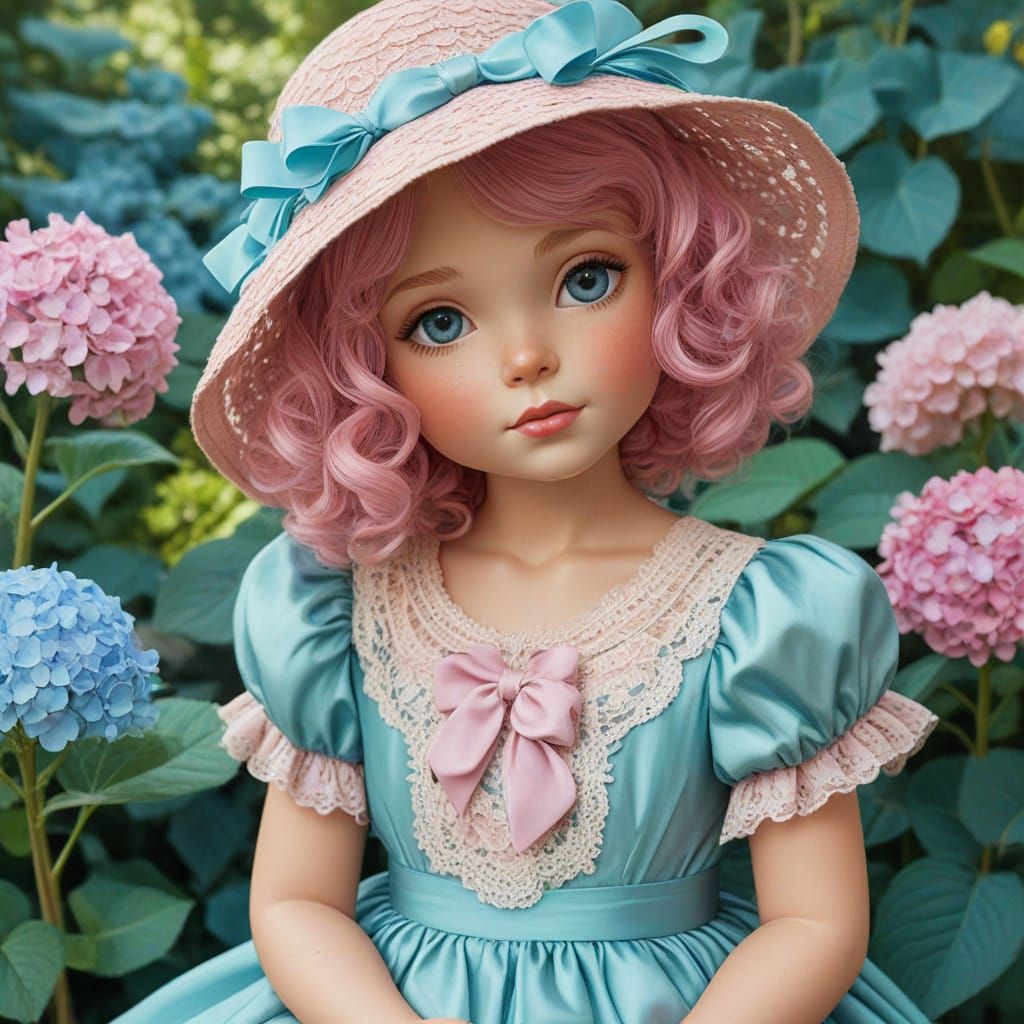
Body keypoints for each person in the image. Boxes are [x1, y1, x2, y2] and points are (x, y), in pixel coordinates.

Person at [110, 0, 941, 1021]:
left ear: (683, 280)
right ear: (362, 373)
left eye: (586, 277)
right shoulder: (335, 614)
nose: (525, 357)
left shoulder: (766, 620)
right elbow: (293, 902)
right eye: (439, 321)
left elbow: (812, 924)